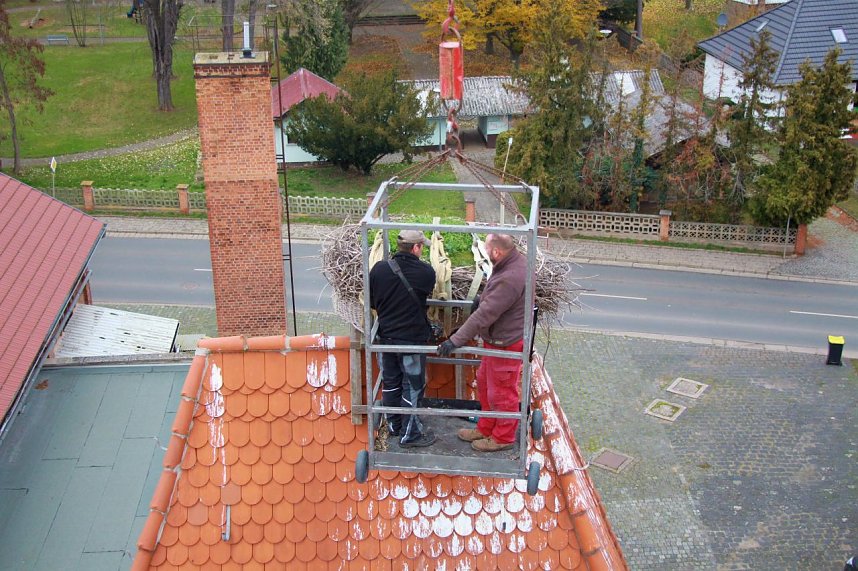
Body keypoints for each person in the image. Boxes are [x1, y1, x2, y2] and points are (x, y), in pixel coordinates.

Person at [438, 233, 529, 452]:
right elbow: (494, 297)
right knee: (485, 383)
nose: (485, 253)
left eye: (486, 250)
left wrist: (454, 341)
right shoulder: (512, 262)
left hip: (505, 342)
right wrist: (482, 298)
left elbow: (485, 315)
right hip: (496, 339)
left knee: (502, 392)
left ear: (497, 251)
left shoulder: (510, 277)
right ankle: (486, 427)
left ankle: (503, 438)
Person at [369, 229, 437, 448]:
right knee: (413, 385)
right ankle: (411, 435)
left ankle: (393, 426)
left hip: (385, 339)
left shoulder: (378, 269)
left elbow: (371, 302)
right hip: (411, 341)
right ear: (416, 248)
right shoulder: (426, 272)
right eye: (422, 247)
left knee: (390, 382)